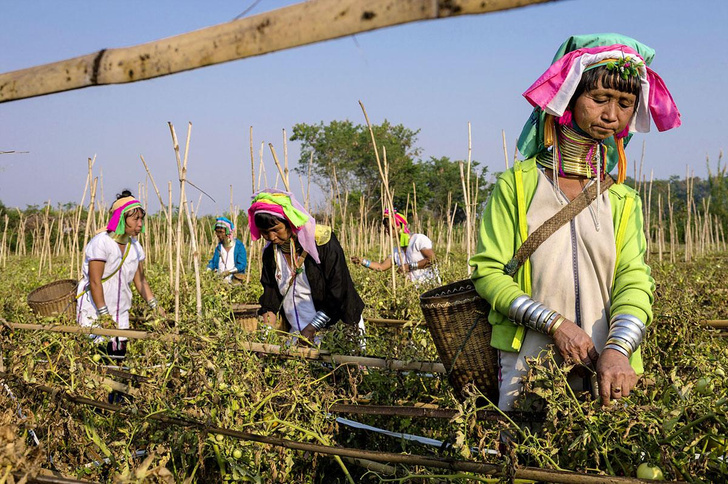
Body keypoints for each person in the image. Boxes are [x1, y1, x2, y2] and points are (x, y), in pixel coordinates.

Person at [469, 34, 681, 410]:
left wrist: (618, 349)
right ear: (567, 98)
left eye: (625, 104)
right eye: (599, 99)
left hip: (609, 372)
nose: (612, 114)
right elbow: (488, 273)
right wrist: (556, 325)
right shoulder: (517, 186)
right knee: (525, 457)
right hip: (528, 364)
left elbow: (634, 279)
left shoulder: (621, 199)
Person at [249, 189, 364, 344]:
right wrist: (265, 336)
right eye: (264, 232)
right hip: (298, 332)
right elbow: (271, 298)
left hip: (337, 327)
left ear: (289, 222)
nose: (271, 237)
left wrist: (311, 328)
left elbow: (338, 291)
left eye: (276, 230)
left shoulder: (322, 243)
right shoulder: (271, 254)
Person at [76, 190, 164, 362]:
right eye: (135, 219)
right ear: (122, 218)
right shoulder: (101, 243)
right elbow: (95, 282)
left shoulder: (135, 246)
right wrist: (104, 315)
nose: (140, 224)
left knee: (118, 357)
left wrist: (156, 307)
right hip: (95, 311)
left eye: (141, 219)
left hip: (120, 311)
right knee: (98, 358)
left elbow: (141, 281)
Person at [351, 209, 439, 285]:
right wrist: (363, 261)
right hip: (415, 292)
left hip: (430, 287)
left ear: (399, 226)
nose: (386, 230)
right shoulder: (397, 251)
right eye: (385, 227)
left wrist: (410, 266)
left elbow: (432, 260)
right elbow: (381, 267)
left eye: (388, 227)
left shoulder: (418, 239)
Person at [207, 216, 247, 282]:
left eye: (221, 232)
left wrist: (229, 272)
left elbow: (242, 264)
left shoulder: (238, 246)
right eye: (217, 232)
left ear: (228, 232)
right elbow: (214, 262)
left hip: (235, 281)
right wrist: (208, 270)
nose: (219, 235)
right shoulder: (219, 247)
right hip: (220, 282)